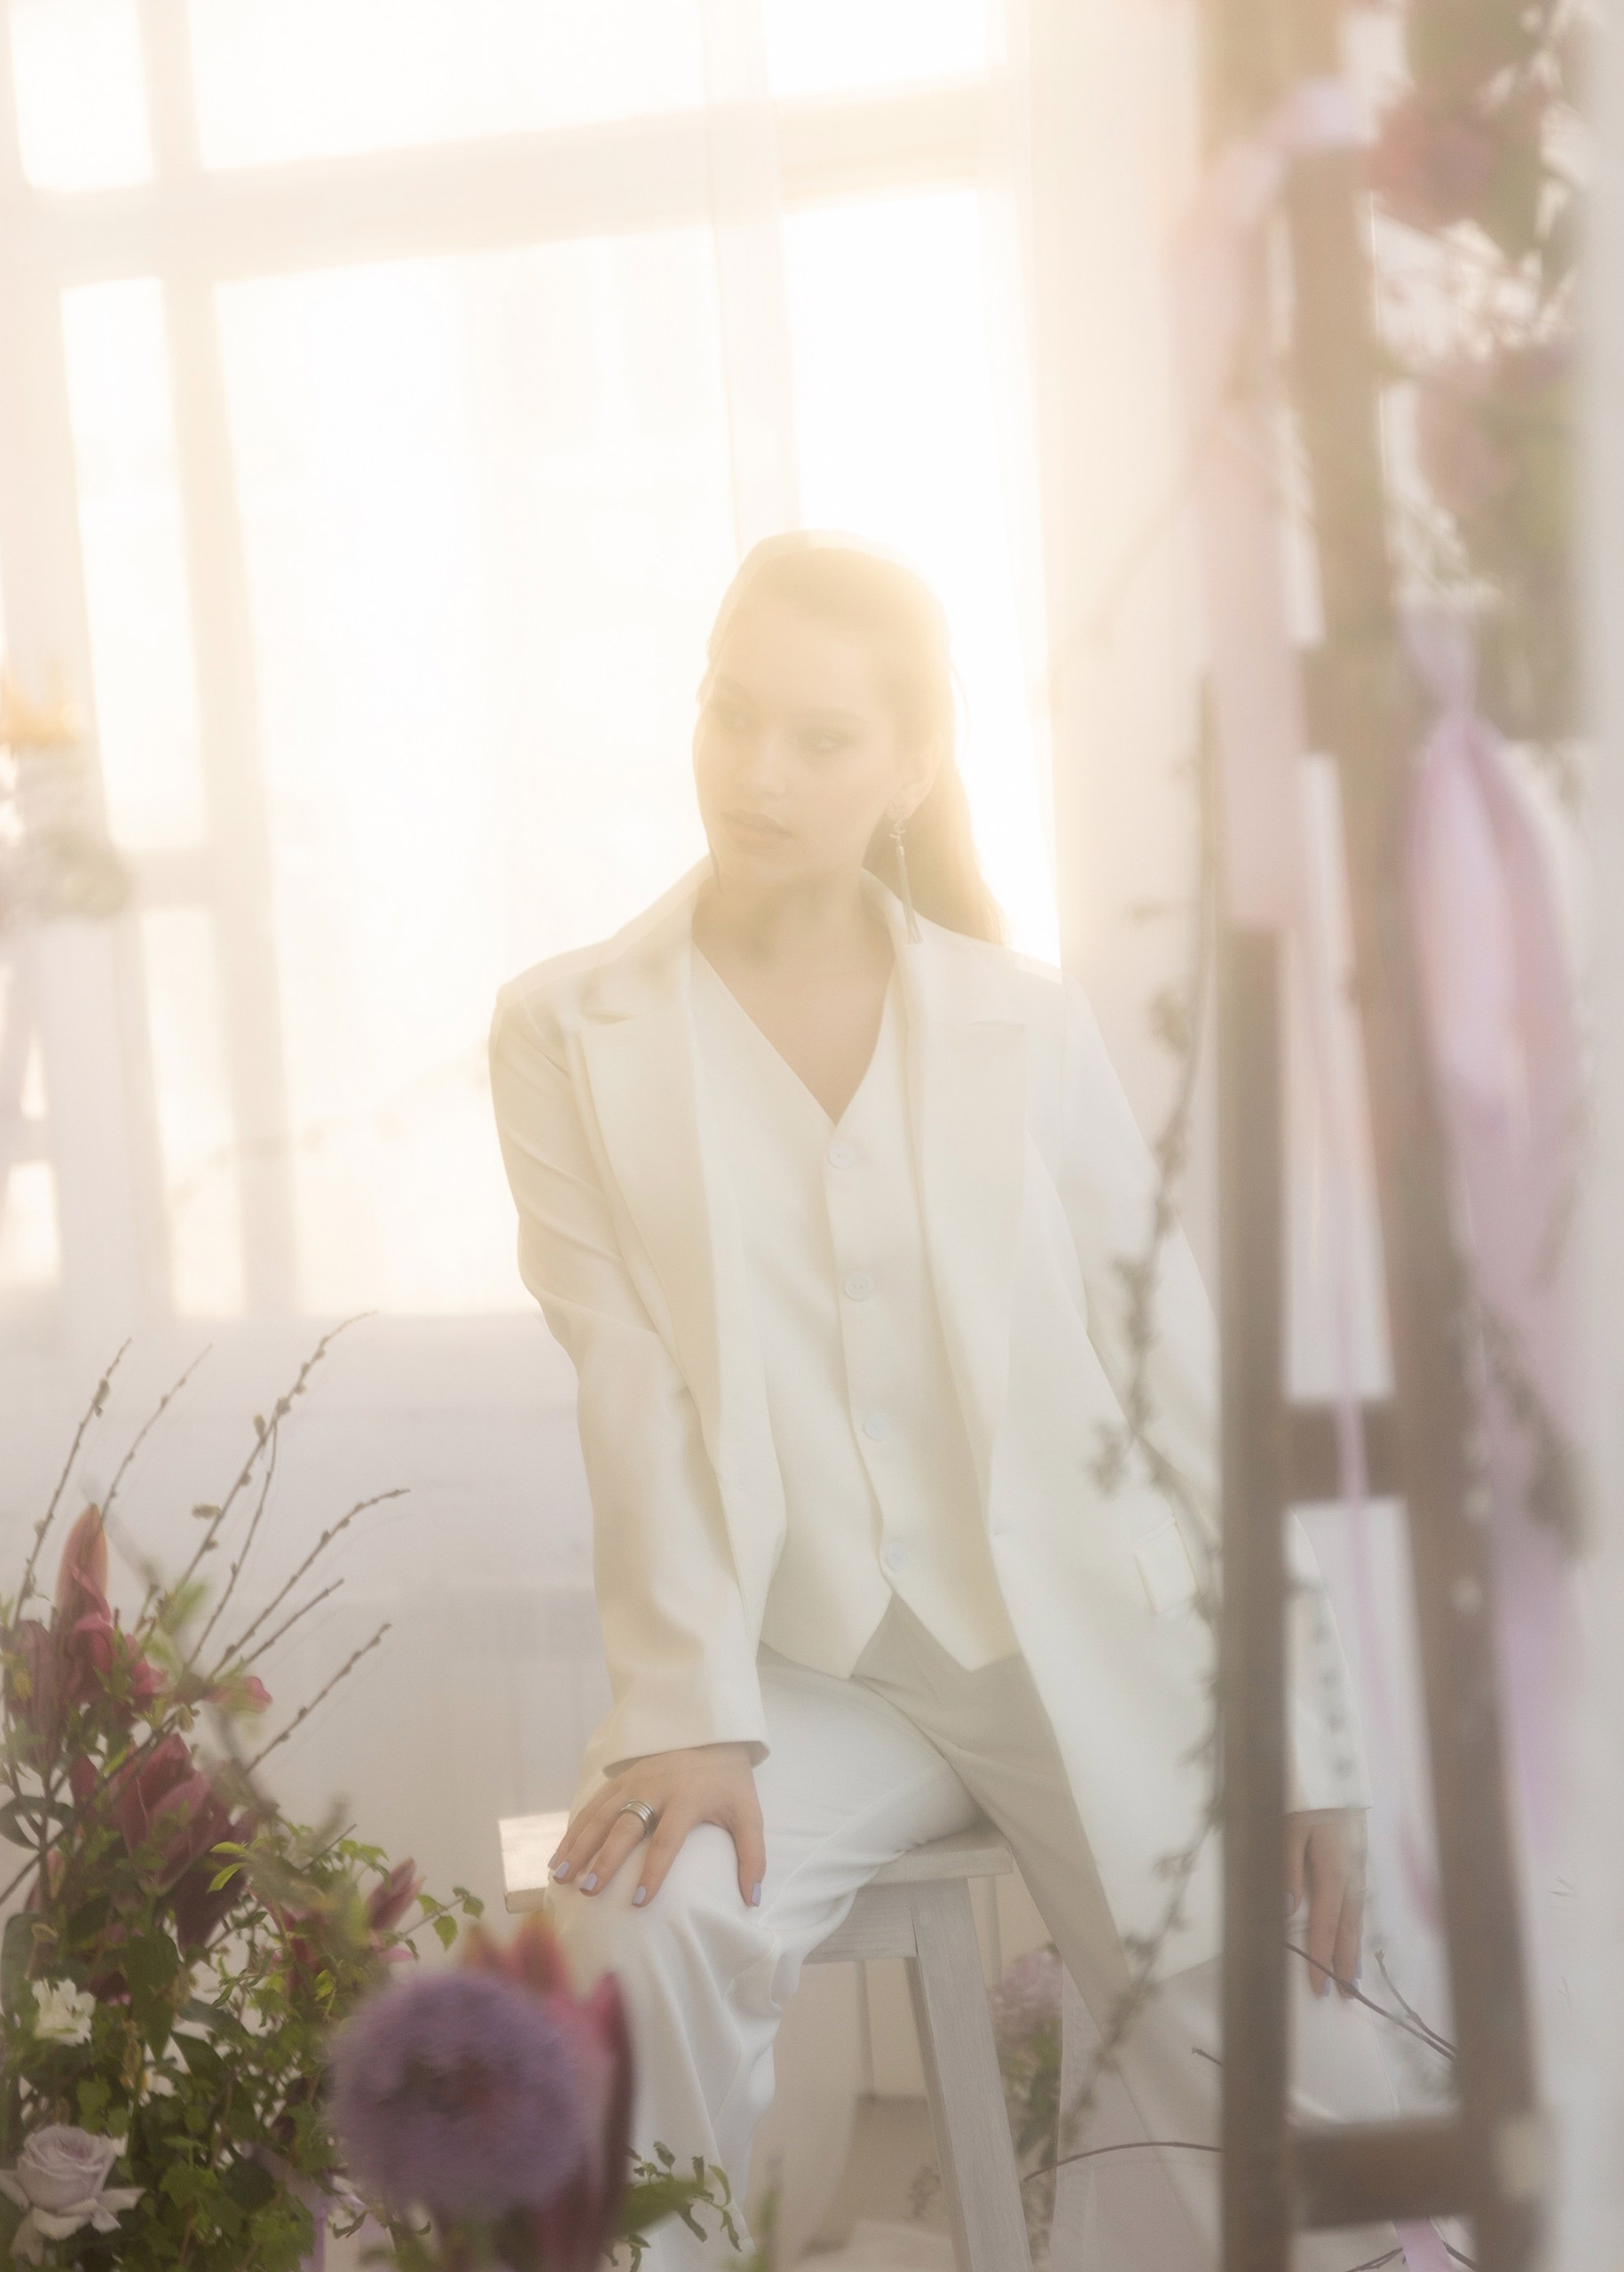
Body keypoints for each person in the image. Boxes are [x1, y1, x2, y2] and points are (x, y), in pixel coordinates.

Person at [487, 533, 1421, 2268]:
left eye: (820, 737)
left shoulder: (1020, 1021)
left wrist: (1304, 1726)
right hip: (799, 1668)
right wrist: (683, 1704)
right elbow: (622, 1378)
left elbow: (1175, 1374)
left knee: (1300, 2067)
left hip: (1063, 1639)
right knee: (641, 1918)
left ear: (909, 763)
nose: (756, 770)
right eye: (728, 712)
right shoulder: (565, 1028)